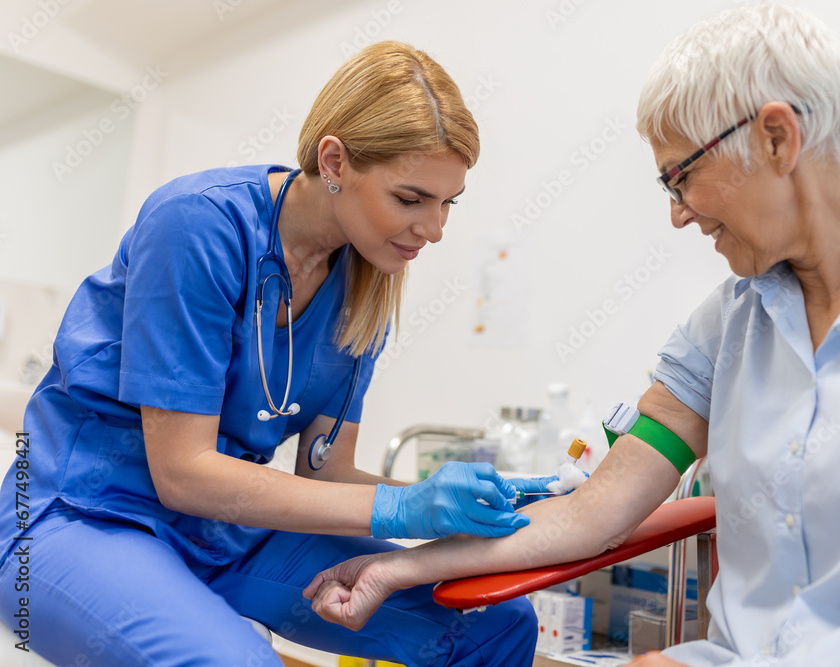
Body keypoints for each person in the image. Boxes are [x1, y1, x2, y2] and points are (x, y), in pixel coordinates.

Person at [302, 4, 840, 666]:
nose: (678, 215)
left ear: (777, 138)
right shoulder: (729, 324)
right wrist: (400, 562)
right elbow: (590, 512)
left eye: (680, 177)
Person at [0, 41, 547, 666]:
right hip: (79, 516)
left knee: (495, 619)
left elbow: (327, 474)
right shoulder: (196, 225)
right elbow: (183, 473)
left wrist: (463, 511)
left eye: (449, 202)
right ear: (335, 160)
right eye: (411, 198)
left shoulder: (365, 279)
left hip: (227, 534)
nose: (436, 228)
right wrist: (402, 507)